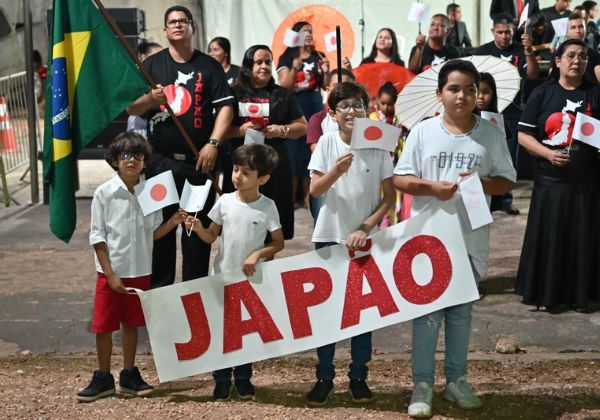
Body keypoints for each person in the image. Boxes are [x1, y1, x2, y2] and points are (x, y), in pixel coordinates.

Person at [394, 60, 516, 417]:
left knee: (461, 314)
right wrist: (432, 187)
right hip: (429, 238)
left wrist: (480, 184)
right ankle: (422, 384)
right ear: (440, 94)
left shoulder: (491, 133)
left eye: (470, 89)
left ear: (479, 94)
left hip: (471, 237)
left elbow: (507, 179)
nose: (462, 96)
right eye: (454, 89)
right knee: (428, 315)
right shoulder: (422, 132)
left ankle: (457, 381)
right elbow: (401, 179)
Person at [126, 5, 234, 289]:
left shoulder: (208, 66)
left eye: (182, 21)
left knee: (195, 236)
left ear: (191, 28)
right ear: (165, 30)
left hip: (199, 165)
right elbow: (131, 108)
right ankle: (161, 300)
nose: (177, 25)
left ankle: (194, 299)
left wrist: (213, 143)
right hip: (159, 165)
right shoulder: (152, 65)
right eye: (171, 22)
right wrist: (150, 99)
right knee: (159, 233)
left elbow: (226, 109)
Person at [77, 132, 187, 402]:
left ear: (145, 162)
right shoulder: (104, 193)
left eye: (138, 155)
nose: (132, 160)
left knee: (132, 324)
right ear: (115, 160)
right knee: (103, 326)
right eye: (125, 155)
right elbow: (98, 237)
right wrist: (111, 274)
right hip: (111, 273)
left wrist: (172, 223)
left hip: (140, 271)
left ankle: (129, 373)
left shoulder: (152, 192)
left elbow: (152, 233)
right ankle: (103, 377)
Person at [305, 81, 395, 406]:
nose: (352, 111)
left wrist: (366, 227)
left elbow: (389, 197)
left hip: (364, 240)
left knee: (362, 313)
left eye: (358, 105)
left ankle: (359, 376)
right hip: (329, 236)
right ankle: (324, 377)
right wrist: (335, 171)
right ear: (332, 114)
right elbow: (314, 190)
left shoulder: (379, 142)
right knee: (327, 312)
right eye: (344, 106)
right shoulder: (327, 143)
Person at [185, 143, 284, 401]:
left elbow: (278, 242)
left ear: (263, 178)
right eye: (235, 170)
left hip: (252, 280)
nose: (237, 176)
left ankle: (243, 377)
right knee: (222, 329)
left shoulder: (268, 207)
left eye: (245, 173)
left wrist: (257, 254)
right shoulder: (225, 201)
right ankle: (221, 379)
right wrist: (197, 227)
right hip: (222, 276)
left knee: (246, 330)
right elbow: (210, 237)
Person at [515, 39, 600, 313]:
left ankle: (582, 295)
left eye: (583, 56)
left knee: (584, 237)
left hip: (587, 182)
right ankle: (548, 294)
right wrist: (548, 154)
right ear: (558, 61)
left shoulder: (596, 94)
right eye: (571, 55)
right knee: (551, 238)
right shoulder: (543, 94)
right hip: (551, 183)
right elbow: (524, 135)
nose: (577, 61)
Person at [223, 44, 307, 240]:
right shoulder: (233, 93)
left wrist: (281, 130)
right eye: (258, 62)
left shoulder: (283, 93)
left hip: (274, 169)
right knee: (238, 227)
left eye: (268, 62)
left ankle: (267, 267)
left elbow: (302, 127)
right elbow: (219, 131)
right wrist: (240, 130)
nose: (264, 66)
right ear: (247, 66)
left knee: (272, 230)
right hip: (241, 169)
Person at [475, 13, 539, 215]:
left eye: (508, 32)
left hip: (513, 112)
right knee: (483, 156)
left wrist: (529, 52)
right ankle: (484, 199)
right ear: (493, 31)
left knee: (509, 158)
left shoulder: (521, 50)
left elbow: (533, 74)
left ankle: (506, 199)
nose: (504, 36)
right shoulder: (482, 51)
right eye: (500, 32)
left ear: (514, 31)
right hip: (484, 111)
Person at [277, 21, 330, 209]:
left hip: (314, 103)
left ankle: (310, 195)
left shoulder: (319, 56)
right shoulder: (286, 57)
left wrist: (326, 72)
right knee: (293, 150)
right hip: (294, 104)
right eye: (304, 31)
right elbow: (284, 86)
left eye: (311, 31)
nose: (309, 34)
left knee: (313, 147)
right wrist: (294, 68)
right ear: (295, 35)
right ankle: (291, 197)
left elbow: (325, 86)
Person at [306, 68, 355, 223]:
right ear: (327, 89)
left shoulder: (361, 121)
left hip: (353, 185)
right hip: (326, 184)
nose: (341, 91)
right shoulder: (317, 119)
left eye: (346, 86)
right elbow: (316, 150)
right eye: (336, 86)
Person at [369, 81, 408, 229]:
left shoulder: (401, 121)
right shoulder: (372, 118)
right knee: (380, 202)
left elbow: (403, 140)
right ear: (377, 101)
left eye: (390, 104)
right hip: (377, 168)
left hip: (396, 167)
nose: (386, 107)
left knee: (396, 202)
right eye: (383, 103)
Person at [127, 41, 163, 138]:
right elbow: (131, 106)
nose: (162, 60)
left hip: (158, 123)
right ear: (143, 57)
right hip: (140, 122)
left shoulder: (158, 73)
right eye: (157, 56)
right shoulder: (136, 74)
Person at [566, 12, 600, 82]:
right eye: (573, 27)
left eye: (581, 27)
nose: (577, 31)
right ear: (567, 31)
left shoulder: (595, 55)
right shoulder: (558, 53)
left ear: (586, 29)